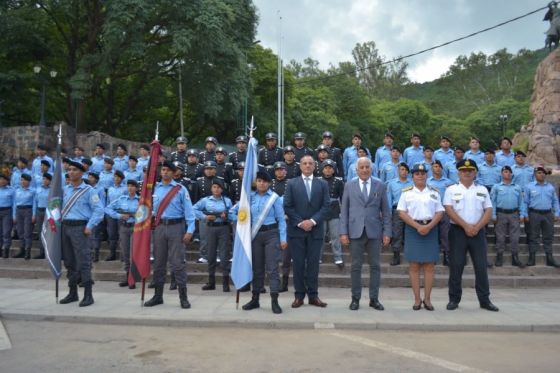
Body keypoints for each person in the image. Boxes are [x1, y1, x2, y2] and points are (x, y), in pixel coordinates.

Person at [443, 159, 499, 312]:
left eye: (470, 171)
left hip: (478, 231)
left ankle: (484, 300)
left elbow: (488, 210)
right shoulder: (451, 190)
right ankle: (454, 299)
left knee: (481, 267)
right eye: (463, 170)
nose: (466, 173)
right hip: (458, 232)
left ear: (475, 173)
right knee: (456, 266)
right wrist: (466, 226)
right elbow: (449, 210)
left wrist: (477, 227)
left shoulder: (482, 190)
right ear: (458, 173)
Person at [229, 171, 287, 314]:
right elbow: (232, 212)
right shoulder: (248, 197)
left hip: (272, 235)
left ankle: (275, 300)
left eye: (265, 181)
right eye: (259, 181)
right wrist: (240, 221)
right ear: (256, 182)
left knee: (272, 268)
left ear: (269, 183)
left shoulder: (275, 199)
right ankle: (255, 299)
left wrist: (283, 238)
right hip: (254, 236)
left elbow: (281, 220)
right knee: (257, 268)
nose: (262, 183)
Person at [340, 157, 391, 311]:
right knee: (356, 266)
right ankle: (355, 298)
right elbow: (344, 211)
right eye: (361, 167)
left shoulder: (380, 185)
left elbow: (386, 212)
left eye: (367, 167)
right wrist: (343, 232)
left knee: (375, 266)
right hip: (355, 231)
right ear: (356, 170)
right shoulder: (349, 185)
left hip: (374, 232)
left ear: (371, 168)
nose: (364, 170)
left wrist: (387, 232)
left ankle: (374, 299)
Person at [143, 161, 195, 309]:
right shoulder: (154, 189)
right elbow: (151, 210)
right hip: (159, 228)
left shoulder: (180, 189)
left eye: (167, 170)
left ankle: (183, 297)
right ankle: (158, 296)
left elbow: (189, 212)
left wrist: (190, 230)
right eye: (163, 170)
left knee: (177, 264)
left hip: (176, 228)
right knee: (159, 263)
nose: (164, 172)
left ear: (173, 173)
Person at [283, 155, 330, 308]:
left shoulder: (322, 184)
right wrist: (301, 222)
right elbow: (288, 206)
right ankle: (299, 296)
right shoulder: (291, 183)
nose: (308, 166)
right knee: (297, 264)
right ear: (300, 166)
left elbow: (326, 206)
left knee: (313, 265)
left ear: (315, 166)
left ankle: (313, 296)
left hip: (315, 231)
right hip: (296, 231)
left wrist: (312, 221)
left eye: (310, 163)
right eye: (305, 163)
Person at [397, 163, 444, 311]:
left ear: (427, 175)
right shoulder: (406, 192)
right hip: (413, 229)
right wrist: (418, 227)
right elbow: (401, 212)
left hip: (431, 229)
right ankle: (417, 299)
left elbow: (440, 212)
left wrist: (429, 227)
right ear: (413, 176)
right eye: (417, 173)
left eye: (423, 173)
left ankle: (428, 299)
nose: (420, 176)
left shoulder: (434, 192)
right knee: (414, 265)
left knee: (430, 265)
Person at [59, 161, 104, 307]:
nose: (71, 172)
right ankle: (72, 293)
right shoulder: (65, 190)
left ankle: (88, 295)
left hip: (80, 228)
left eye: (74, 170)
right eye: (69, 170)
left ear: (81, 173)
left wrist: (89, 226)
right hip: (65, 227)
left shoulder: (89, 191)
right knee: (69, 262)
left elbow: (99, 210)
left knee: (84, 262)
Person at [193, 179, 233, 292]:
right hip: (210, 228)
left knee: (224, 256)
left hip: (223, 228)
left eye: (219, 187)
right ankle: (211, 282)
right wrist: (205, 217)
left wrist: (227, 216)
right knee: (210, 255)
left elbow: (233, 214)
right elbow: (193, 209)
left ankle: (226, 283)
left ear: (222, 189)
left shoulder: (227, 201)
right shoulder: (205, 200)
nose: (216, 189)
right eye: (214, 187)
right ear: (211, 189)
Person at [105, 179, 139, 289]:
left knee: (133, 253)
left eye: (132, 186)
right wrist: (119, 216)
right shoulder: (121, 199)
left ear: (137, 188)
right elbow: (108, 209)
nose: (130, 188)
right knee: (125, 253)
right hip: (124, 227)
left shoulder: (141, 200)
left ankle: (133, 278)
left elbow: (150, 212)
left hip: (135, 228)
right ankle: (127, 276)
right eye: (128, 185)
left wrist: (138, 216)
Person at [490, 166, 526, 267]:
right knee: (500, 236)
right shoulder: (496, 187)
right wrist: (493, 214)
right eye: (505, 172)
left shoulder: (517, 187)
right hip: (501, 214)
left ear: (511, 174)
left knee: (515, 236)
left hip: (514, 214)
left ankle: (515, 257)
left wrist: (522, 214)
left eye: (509, 172)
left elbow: (521, 202)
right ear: (501, 174)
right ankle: (499, 256)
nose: (507, 173)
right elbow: (492, 202)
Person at [524, 166, 560, 267]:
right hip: (534, 214)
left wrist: (557, 213)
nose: (542, 174)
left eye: (543, 173)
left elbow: (555, 201)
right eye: (539, 173)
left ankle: (550, 258)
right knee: (533, 236)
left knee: (548, 237)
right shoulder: (529, 187)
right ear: (535, 175)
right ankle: (532, 258)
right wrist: (525, 214)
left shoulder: (550, 187)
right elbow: (525, 202)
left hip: (548, 214)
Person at [318, 159, 345, 269]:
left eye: (330, 168)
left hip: (334, 210)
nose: (328, 170)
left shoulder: (338, 182)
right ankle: (318, 257)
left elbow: (343, 198)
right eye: (326, 168)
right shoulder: (317, 181)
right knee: (320, 235)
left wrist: (343, 212)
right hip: (321, 210)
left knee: (335, 236)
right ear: (322, 169)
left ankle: (338, 257)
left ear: (333, 170)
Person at [427, 160, 453, 266]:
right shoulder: (427, 182)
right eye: (434, 166)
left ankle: (446, 255)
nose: (436, 168)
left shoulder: (448, 182)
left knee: (445, 234)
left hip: (444, 211)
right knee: (432, 233)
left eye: (438, 166)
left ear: (442, 168)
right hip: (431, 211)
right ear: (431, 168)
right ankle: (432, 256)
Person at [386, 163, 413, 265]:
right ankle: (396, 256)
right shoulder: (391, 183)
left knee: (410, 232)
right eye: (402, 169)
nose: (404, 171)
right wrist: (388, 213)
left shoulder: (412, 183)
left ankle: (411, 255)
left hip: (410, 211)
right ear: (398, 170)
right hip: (397, 210)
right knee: (397, 233)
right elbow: (389, 199)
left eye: (406, 170)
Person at [13, 173, 36, 259]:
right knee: (20, 231)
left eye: (25, 180)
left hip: (28, 210)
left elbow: (34, 203)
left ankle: (27, 251)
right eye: (21, 180)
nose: (23, 181)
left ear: (29, 181)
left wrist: (34, 214)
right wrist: (14, 215)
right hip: (19, 211)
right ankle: (22, 249)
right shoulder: (17, 190)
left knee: (27, 232)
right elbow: (14, 203)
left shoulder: (33, 191)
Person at [105, 170, 126, 261]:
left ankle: (123, 255)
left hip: (121, 213)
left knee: (122, 234)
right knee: (112, 235)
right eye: (115, 177)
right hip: (111, 214)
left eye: (118, 177)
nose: (116, 179)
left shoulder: (125, 189)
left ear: (121, 179)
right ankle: (112, 254)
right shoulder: (110, 189)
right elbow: (107, 202)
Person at [33, 172, 52, 259]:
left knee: (49, 233)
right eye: (43, 179)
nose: (45, 180)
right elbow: (35, 203)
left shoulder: (52, 190)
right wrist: (34, 214)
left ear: (50, 181)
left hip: (49, 212)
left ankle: (50, 252)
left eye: (47, 179)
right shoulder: (38, 189)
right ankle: (42, 252)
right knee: (41, 232)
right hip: (39, 212)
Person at [0, 173, 15, 258]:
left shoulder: (11, 190)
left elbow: (14, 204)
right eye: (0, 179)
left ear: (7, 181)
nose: (1, 181)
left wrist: (13, 216)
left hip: (7, 212)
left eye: (3, 179)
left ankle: (6, 249)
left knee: (6, 232)